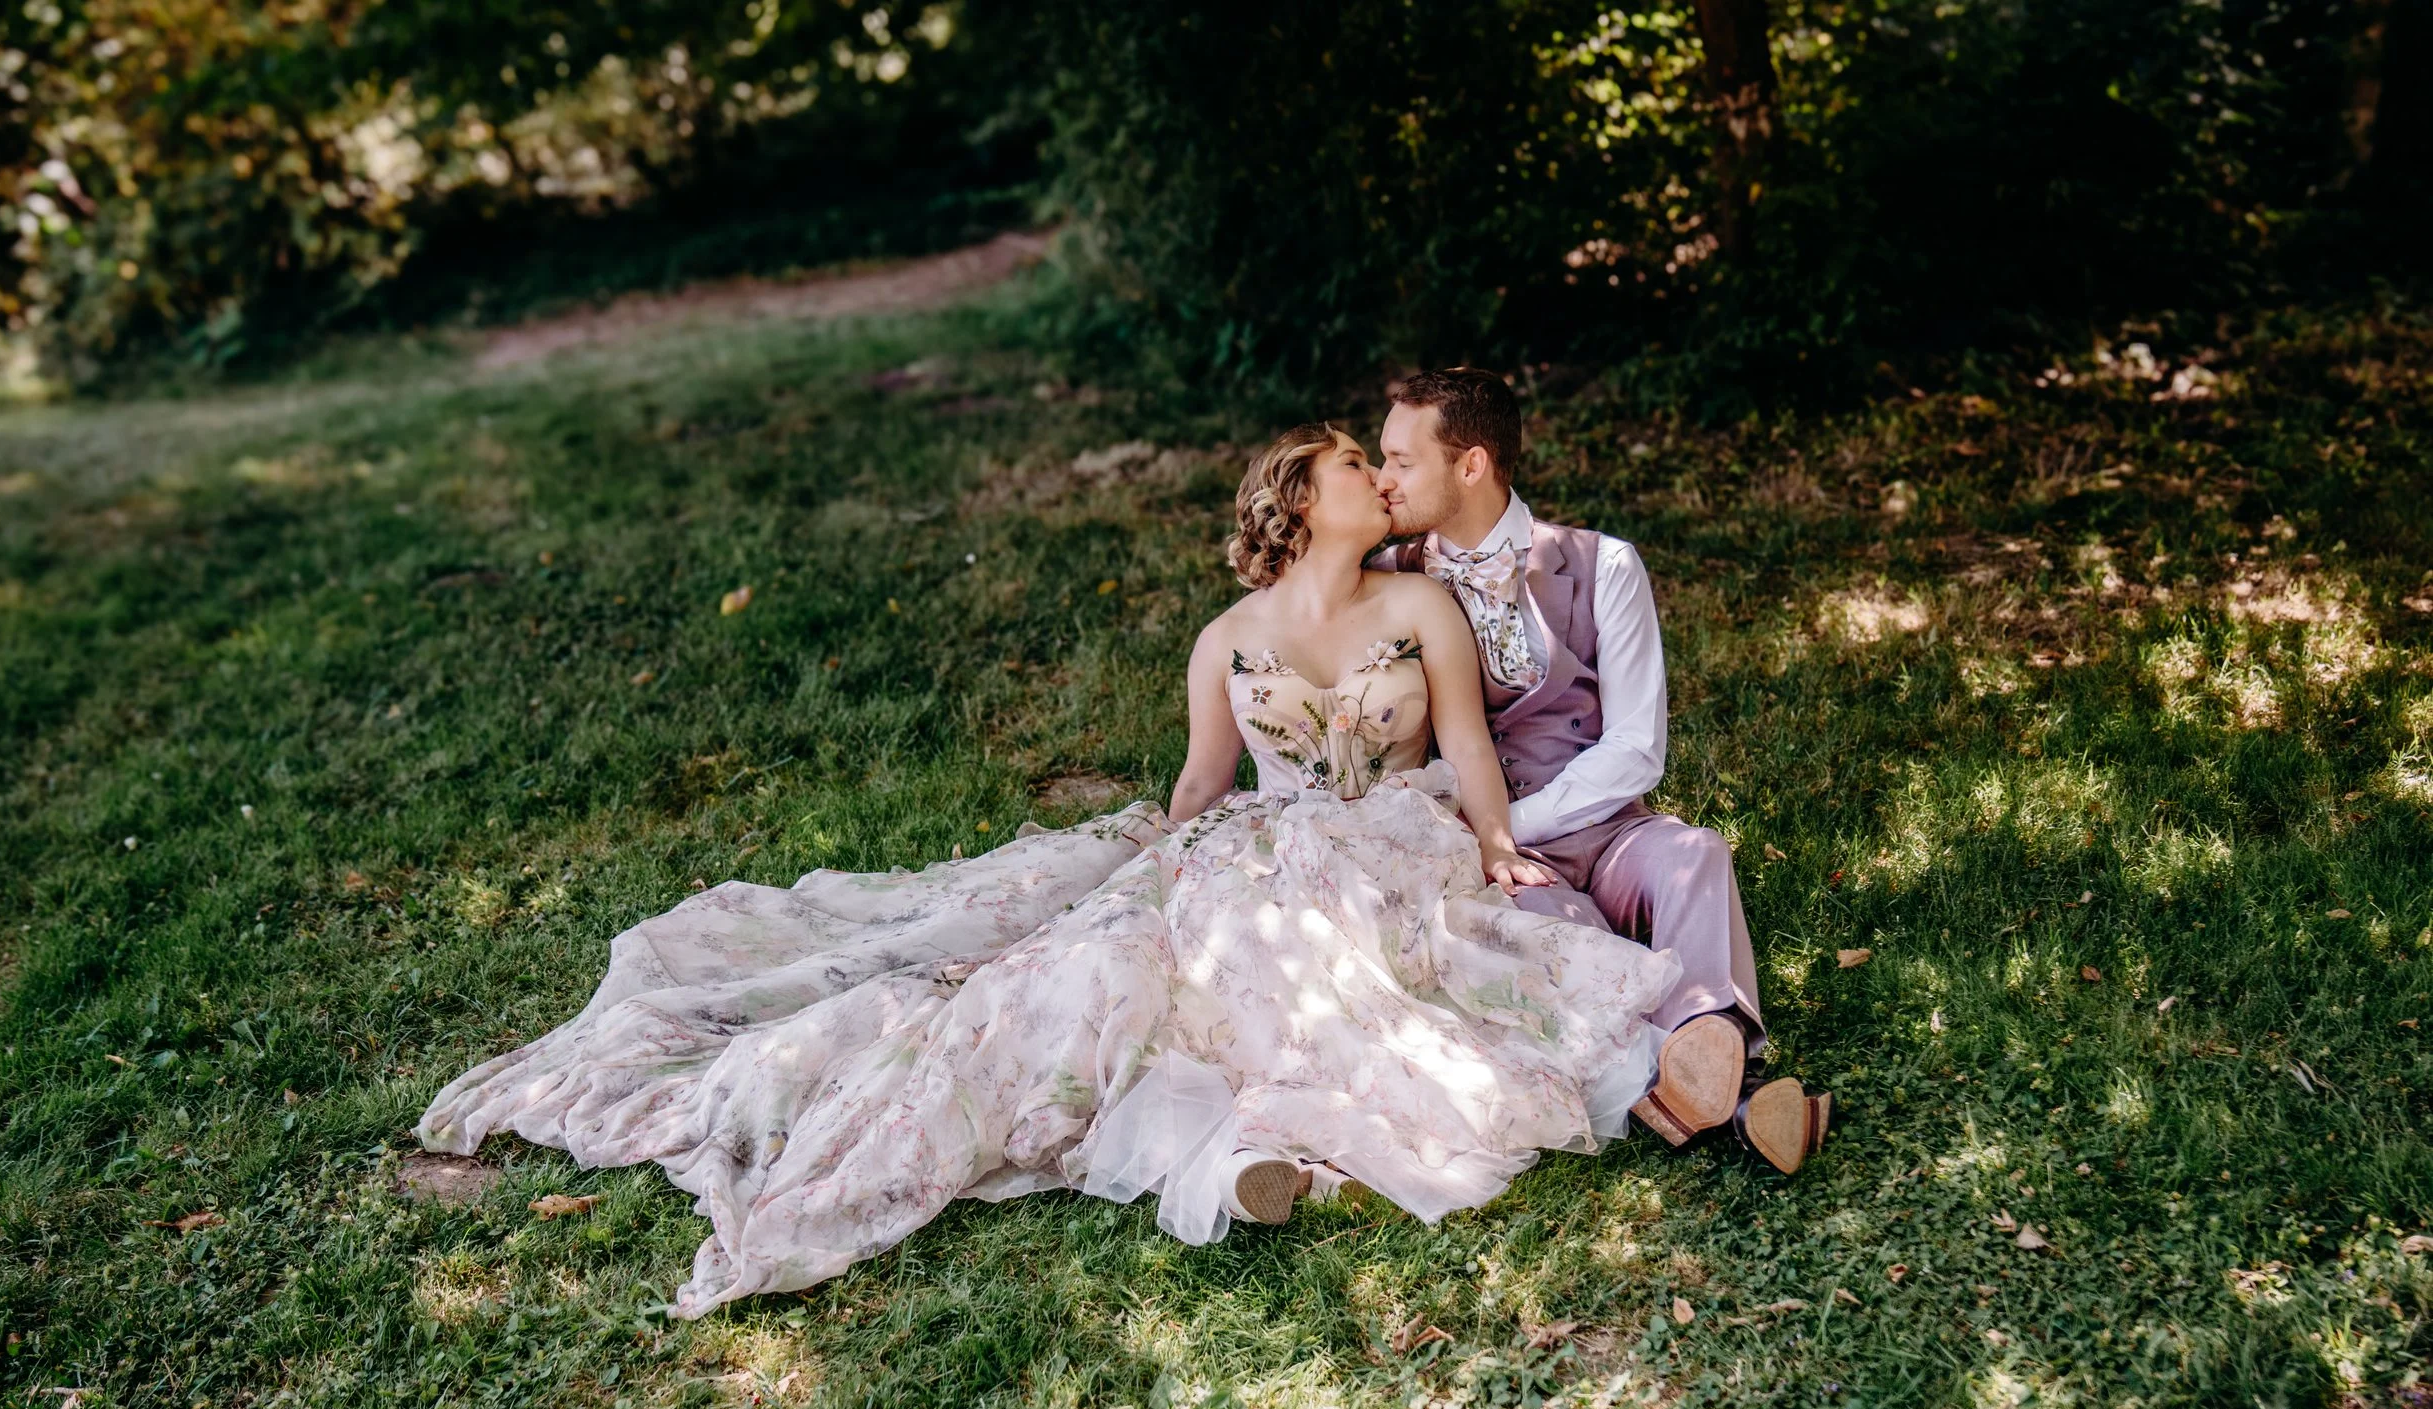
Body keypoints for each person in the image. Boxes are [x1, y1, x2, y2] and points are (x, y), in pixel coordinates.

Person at [417, 425, 1683, 1316]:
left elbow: (1469, 748)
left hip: (1389, 836)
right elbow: (1202, 784)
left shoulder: (1418, 609)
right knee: (1107, 961)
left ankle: (1261, 1145)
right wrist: (1151, 856)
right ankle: (1233, 1147)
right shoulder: (1223, 639)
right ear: (1299, 498)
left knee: (1350, 972)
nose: (1378, 474)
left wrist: (1499, 843)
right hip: (1257, 838)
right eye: (1355, 461)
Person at [1374, 368, 1829, 1171]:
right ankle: (1741, 1097)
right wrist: (1495, 841)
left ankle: (1705, 1059)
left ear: (1471, 465)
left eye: (1402, 462)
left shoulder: (1605, 565)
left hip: (1609, 830)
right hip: (1498, 856)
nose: (1384, 480)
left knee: (1696, 853)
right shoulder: (1389, 577)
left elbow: (1636, 749)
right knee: (1563, 929)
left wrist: (1511, 823)